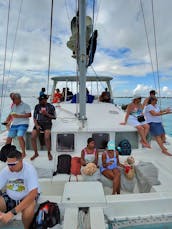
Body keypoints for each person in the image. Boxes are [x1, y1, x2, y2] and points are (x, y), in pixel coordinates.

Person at [0, 144, 39, 229]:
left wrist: (11, 213)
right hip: (10, 197)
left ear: (21, 160)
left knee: (28, 212)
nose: (10, 168)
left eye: (13, 164)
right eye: (8, 164)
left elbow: (33, 194)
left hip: (26, 197)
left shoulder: (29, 170)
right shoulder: (5, 171)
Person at [30, 94, 56, 161]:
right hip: (39, 123)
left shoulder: (51, 107)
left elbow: (54, 117)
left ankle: (49, 153)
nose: (40, 101)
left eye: (41, 100)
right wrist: (36, 125)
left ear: (45, 100)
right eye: (39, 100)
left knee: (47, 137)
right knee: (32, 137)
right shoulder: (37, 106)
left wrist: (46, 114)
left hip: (47, 123)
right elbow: (35, 117)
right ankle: (36, 153)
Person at [5, 93, 31, 157]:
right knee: (9, 138)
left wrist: (18, 116)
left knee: (19, 136)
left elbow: (29, 115)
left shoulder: (26, 105)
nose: (13, 101)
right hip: (15, 124)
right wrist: (7, 121)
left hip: (23, 123)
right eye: (12, 100)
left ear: (18, 99)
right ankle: (5, 152)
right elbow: (11, 114)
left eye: (14, 100)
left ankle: (23, 152)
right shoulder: (14, 106)